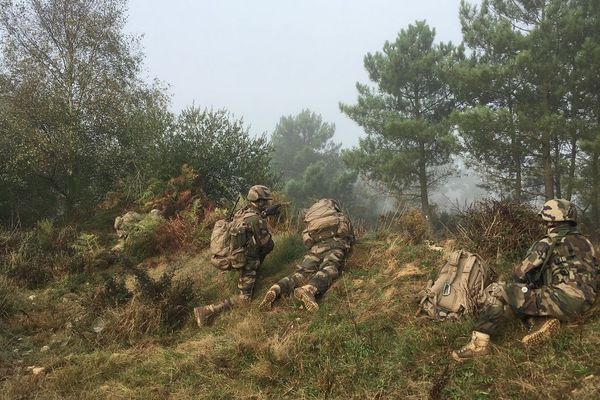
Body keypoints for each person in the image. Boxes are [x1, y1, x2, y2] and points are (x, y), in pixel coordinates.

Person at [452, 199, 598, 361]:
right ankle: (540, 323)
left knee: (501, 290)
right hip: (586, 302)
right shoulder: (587, 243)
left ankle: (479, 345)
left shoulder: (547, 242)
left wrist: (510, 287)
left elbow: (519, 273)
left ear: (550, 220)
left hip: (563, 300)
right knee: (529, 297)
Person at [194, 185, 274, 326]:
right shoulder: (256, 220)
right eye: (265, 201)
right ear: (260, 201)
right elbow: (267, 244)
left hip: (237, 256)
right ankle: (206, 311)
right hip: (248, 262)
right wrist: (264, 226)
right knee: (244, 299)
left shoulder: (242, 212)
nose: (267, 203)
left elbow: (248, 225)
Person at [259, 198, 354, 312]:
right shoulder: (338, 215)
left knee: (301, 273)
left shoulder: (312, 217)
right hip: (335, 245)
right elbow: (348, 234)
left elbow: (307, 239)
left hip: (315, 248)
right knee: (329, 267)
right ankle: (310, 289)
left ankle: (277, 288)